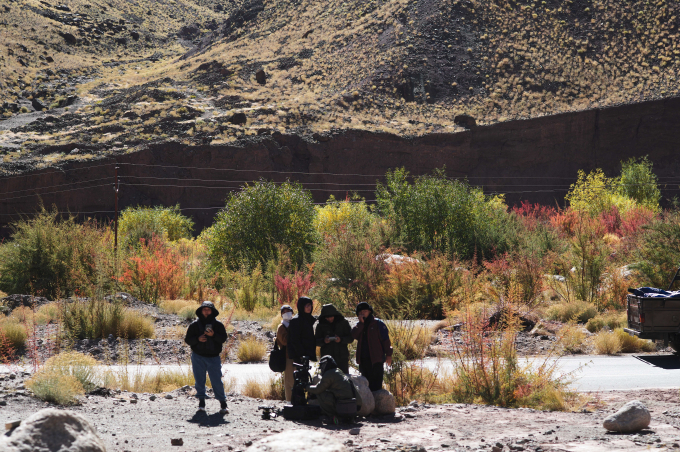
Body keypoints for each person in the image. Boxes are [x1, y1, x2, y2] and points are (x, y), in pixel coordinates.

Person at [184, 301, 229, 414]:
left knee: (216, 381)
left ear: (212, 311)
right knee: (199, 381)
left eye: (208, 309)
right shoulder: (194, 325)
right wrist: (197, 339)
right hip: (198, 356)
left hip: (213, 357)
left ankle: (223, 404)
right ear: (201, 311)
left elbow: (223, 339)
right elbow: (188, 340)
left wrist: (213, 335)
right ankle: (201, 403)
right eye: (204, 309)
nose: (206, 311)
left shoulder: (218, 325)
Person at [351, 302, 393, 392]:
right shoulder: (359, 325)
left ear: (370, 312)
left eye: (365, 311)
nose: (363, 313)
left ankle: (378, 404)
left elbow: (386, 340)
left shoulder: (378, 324)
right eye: (361, 311)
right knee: (365, 386)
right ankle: (369, 405)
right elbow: (352, 336)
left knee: (376, 386)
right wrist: (361, 324)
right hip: (363, 360)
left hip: (376, 360)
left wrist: (388, 354)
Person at [307, 355, 362, 421]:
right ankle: (347, 417)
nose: (321, 369)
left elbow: (318, 389)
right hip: (352, 406)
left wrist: (306, 387)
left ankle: (333, 416)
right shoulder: (338, 371)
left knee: (320, 393)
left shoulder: (329, 374)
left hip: (342, 404)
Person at [314, 304, 353, 374]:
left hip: (342, 358)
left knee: (343, 381)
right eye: (327, 317)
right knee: (327, 381)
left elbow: (350, 338)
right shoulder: (320, 325)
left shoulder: (344, 323)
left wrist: (341, 339)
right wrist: (324, 341)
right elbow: (316, 341)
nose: (330, 319)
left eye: (331, 316)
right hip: (326, 358)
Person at [287, 296, 317, 365]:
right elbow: (294, 340)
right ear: (301, 306)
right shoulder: (296, 320)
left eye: (310, 305)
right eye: (307, 305)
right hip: (299, 355)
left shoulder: (309, 319)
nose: (309, 307)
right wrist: (301, 354)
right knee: (301, 374)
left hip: (307, 353)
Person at [275, 304, 295, 402]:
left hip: (297, 356)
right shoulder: (281, 327)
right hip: (287, 356)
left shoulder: (295, 324)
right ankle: (289, 401)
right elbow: (285, 341)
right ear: (281, 314)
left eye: (288, 311)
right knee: (289, 381)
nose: (287, 313)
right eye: (284, 312)